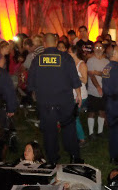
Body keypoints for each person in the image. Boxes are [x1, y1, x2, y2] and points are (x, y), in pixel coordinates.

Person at [27, 33, 83, 166]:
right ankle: (74, 155)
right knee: (69, 128)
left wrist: (36, 96)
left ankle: (52, 159)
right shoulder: (65, 57)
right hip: (65, 101)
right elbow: (74, 79)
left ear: (44, 43)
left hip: (45, 102)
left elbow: (31, 84)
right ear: (57, 42)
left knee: (49, 131)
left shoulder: (37, 59)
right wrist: (79, 95)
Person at [87, 41, 110, 137]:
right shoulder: (90, 61)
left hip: (104, 90)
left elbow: (107, 74)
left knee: (102, 111)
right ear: (93, 49)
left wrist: (96, 72)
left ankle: (100, 132)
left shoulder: (107, 62)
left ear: (103, 49)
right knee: (91, 112)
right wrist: (98, 87)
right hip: (93, 91)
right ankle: (91, 132)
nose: (98, 49)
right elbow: (91, 75)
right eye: (96, 47)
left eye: (100, 47)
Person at [68, 45, 88, 146]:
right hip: (72, 94)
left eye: (69, 52)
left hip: (81, 95)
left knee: (74, 117)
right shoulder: (70, 63)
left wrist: (75, 76)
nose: (68, 54)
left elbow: (85, 80)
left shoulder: (81, 64)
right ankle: (75, 136)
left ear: (74, 53)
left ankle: (82, 139)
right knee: (72, 117)